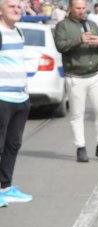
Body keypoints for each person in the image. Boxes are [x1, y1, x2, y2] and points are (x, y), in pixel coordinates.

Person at [54, 0, 98, 163]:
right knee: (77, 114)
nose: (82, 11)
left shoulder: (92, 24)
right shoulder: (62, 26)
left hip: (96, 75)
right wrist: (79, 39)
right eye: (78, 8)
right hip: (76, 77)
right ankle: (81, 147)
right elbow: (60, 46)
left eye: (84, 8)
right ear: (71, 9)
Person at [0, 0, 32, 208]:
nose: (16, 9)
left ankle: (5, 187)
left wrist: (26, 93)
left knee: (13, 144)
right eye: (11, 6)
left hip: (21, 98)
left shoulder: (18, 32)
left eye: (18, 6)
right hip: (2, 99)